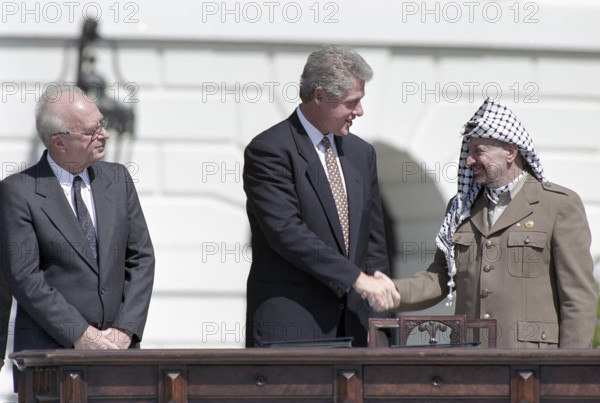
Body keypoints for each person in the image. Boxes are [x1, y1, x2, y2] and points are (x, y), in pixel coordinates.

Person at [370, 97, 597, 348]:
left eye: (478, 151)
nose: (469, 160)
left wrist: (566, 371)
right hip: (470, 360)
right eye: (468, 151)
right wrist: (391, 291)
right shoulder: (462, 208)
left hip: (531, 364)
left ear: (511, 152)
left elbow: (577, 298)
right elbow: (439, 278)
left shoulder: (558, 205)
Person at [243, 45, 399, 347]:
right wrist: (356, 277)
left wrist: (380, 320)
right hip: (293, 330)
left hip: (354, 329)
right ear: (319, 97)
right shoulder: (270, 150)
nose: (360, 112)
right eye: (351, 103)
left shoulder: (361, 153)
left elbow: (374, 242)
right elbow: (287, 233)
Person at [0, 85, 155, 387]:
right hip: (50, 360)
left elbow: (141, 258)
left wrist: (125, 330)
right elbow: (24, 276)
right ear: (59, 142)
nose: (105, 134)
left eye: (102, 123)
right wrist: (80, 335)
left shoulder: (118, 179)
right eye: (92, 130)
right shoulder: (19, 191)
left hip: (119, 357)